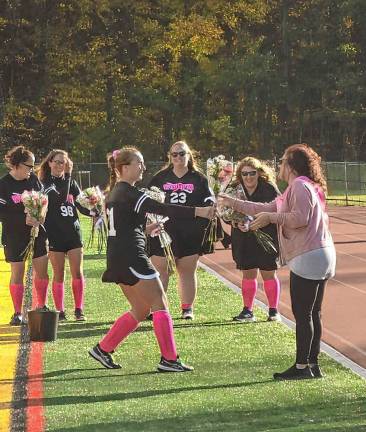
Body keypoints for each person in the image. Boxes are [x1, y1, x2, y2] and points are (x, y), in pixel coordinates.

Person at [88, 147, 214, 372]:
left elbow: (123, 226)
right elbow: (162, 207)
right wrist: (199, 211)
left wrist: (145, 229)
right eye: (139, 164)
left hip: (119, 255)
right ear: (125, 168)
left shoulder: (118, 191)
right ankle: (169, 359)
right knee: (160, 303)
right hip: (131, 256)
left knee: (140, 309)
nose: (143, 168)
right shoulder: (128, 191)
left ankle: (103, 348)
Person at [218, 144, 336, 380]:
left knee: (303, 314)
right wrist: (231, 202)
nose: (280, 165)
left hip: (308, 255)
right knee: (313, 314)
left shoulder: (300, 186)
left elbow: (299, 219)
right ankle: (312, 365)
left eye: (283, 161)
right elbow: (265, 207)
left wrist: (270, 218)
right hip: (318, 254)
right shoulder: (299, 186)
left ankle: (302, 367)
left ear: (291, 165)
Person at [148, 140, 214, 320]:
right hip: (164, 230)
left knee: (186, 271)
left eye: (182, 153)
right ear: (170, 157)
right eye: (174, 154)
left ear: (189, 155)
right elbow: (148, 200)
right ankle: (157, 309)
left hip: (190, 231)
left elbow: (209, 200)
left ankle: (187, 309)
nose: (178, 157)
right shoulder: (160, 178)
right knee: (161, 270)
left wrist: (210, 206)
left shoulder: (199, 178)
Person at [221, 156, 281, 323]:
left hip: (266, 236)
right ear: (240, 175)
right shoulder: (234, 188)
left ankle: (273, 310)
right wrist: (233, 220)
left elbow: (278, 210)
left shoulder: (269, 188)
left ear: (259, 173)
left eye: (252, 173)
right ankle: (248, 310)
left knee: (268, 272)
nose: (248, 177)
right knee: (248, 273)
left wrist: (260, 221)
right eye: (244, 173)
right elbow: (225, 211)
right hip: (243, 238)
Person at [38, 149, 92, 321]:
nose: (60, 165)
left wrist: (94, 210)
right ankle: (60, 311)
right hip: (54, 234)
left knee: (78, 272)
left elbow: (81, 204)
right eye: (57, 161)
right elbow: (59, 198)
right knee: (59, 273)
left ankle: (79, 309)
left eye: (64, 162)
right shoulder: (45, 184)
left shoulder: (72, 182)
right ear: (50, 162)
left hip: (73, 233)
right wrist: (68, 175)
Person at [0, 146, 49, 325]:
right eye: (29, 166)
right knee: (17, 273)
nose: (32, 169)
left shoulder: (33, 180)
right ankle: (17, 313)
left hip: (37, 233)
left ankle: (42, 306)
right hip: (14, 236)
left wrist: (40, 215)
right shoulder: (4, 184)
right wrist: (23, 217)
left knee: (42, 271)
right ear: (18, 165)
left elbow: (44, 200)